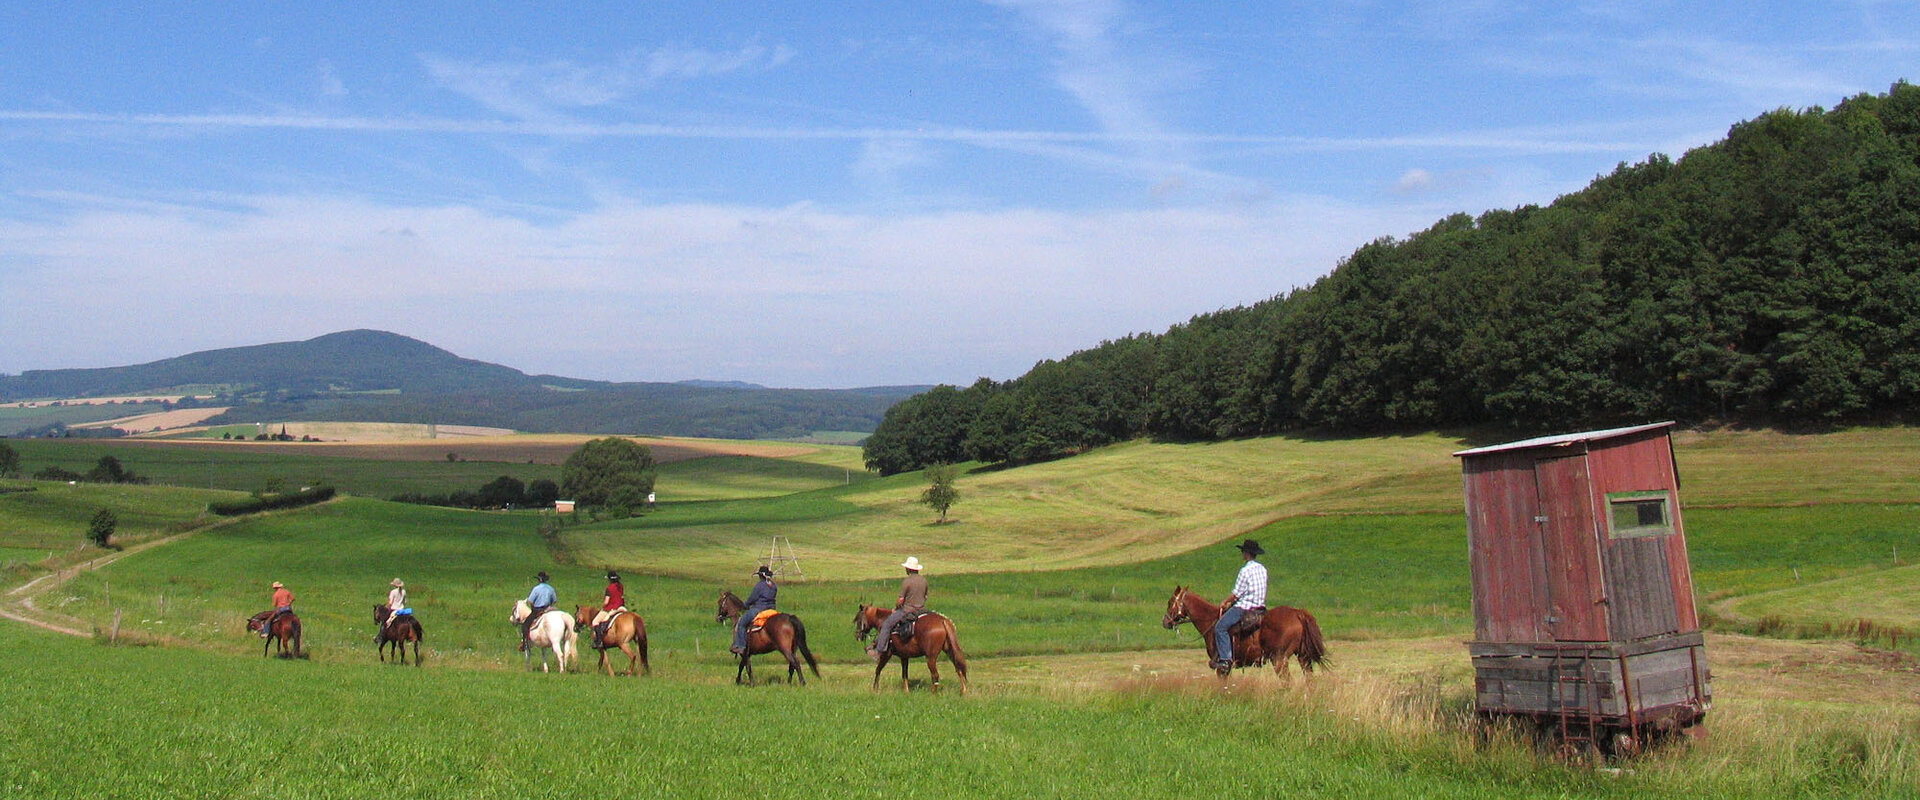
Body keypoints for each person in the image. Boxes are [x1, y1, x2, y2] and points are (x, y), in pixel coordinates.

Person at [1213, 539, 1267, 672]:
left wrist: (1225, 602)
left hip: (1245, 607)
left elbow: (1236, 594)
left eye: (1243, 551)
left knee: (1220, 627)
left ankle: (1226, 659)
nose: (1242, 553)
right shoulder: (1262, 569)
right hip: (1260, 606)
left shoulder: (1245, 570)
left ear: (1247, 553)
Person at [869, 556, 928, 661]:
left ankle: (878, 651)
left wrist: (896, 608)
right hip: (922, 610)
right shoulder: (924, 581)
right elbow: (925, 597)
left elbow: (900, 600)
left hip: (907, 610)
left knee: (886, 625)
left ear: (909, 569)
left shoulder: (907, 581)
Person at [731, 565, 777, 655]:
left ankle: (740, 646)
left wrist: (745, 605)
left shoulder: (760, 585)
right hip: (771, 610)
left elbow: (753, 598)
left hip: (759, 609)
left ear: (761, 576)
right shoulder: (773, 586)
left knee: (741, 623)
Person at [520, 571, 556, 652]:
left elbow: (530, 601)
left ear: (539, 580)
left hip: (538, 610)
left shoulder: (536, 589)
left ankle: (525, 644)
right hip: (548, 609)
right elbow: (554, 600)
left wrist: (533, 606)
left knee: (525, 625)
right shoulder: (551, 589)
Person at [590, 571, 626, 647]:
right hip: (621, 607)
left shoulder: (609, 588)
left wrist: (602, 606)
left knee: (595, 622)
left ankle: (599, 642)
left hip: (611, 609)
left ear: (610, 580)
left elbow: (606, 602)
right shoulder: (621, 586)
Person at [378, 578, 409, 642]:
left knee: (385, 623)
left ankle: (380, 637)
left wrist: (387, 608)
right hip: (402, 611)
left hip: (394, 610)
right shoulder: (404, 591)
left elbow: (390, 603)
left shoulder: (393, 592)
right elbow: (405, 602)